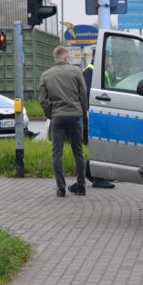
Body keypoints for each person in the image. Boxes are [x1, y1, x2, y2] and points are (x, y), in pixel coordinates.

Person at [38, 46, 88, 197]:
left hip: (58, 117)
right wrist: (83, 109)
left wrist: (50, 114)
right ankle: (81, 186)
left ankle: (61, 188)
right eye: (69, 58)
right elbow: (83, 93)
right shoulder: (76, 71)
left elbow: (42, 100)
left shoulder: (46, 75)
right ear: (66, 58)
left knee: (57, 153)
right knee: (78, 151)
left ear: (56, 58)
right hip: (75, 116)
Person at [82, 49, 115, 189]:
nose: (107, 60)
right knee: (99, 147)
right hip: (96, 114)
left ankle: (95, 174)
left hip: (102, 113)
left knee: (102, 145)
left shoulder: (101, 71)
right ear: (97, 56)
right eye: (106, 57)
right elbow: (88, 94)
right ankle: (98, 178)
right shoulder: (89, 71)